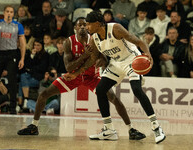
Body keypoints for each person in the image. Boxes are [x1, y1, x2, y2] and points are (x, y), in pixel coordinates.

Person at [17, 17, 146, 141]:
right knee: (44, 94)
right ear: (75, 28)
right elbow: (68, 67)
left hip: (92, 77)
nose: (83, 27)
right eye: (80, 25)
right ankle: (34, 126)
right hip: (73, 76)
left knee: (114, 98)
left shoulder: (95, 39)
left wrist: (100, 60)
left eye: (85, 24)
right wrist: (86, 55)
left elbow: (104, 59)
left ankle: (131, 129)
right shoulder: (69, 42)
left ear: (88, 27)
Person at [63, 11, 166, 144]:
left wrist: (148, 54)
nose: (86, 27)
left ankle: (156, 127)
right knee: (100, 89)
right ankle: (109, 129)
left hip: (131, 60)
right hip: (116, 64)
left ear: (97, 24)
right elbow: (92, 59)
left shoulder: (115, 28)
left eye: (88, 24)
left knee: (136, 89)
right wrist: (76, 74)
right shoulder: (94, 38)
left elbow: (139, 42)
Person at [0, 5, 26, 114]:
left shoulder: (18, 25)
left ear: (13, 14)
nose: (9, 13)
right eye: (7, 11)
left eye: (11, 12)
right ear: (4, 12)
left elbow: (22, 42)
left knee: (12, 81)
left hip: (12, 54)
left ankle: (13, 107)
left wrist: (22, 58)